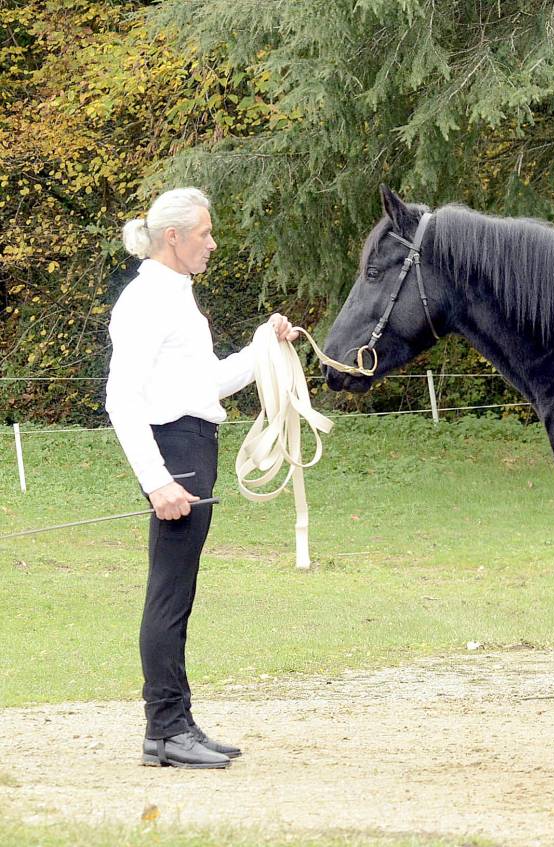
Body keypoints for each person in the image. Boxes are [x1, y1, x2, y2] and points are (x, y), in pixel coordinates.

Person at [106, 187, 300, 768]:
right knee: (168, 592)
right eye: (205, 234)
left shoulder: (177, 298)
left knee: (180, 592)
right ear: (174, 237)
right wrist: (157, 480)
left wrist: (264, 346)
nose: (212, 244)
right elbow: (121, 398)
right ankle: (164, 728)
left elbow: (204, 385)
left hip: (194, 442)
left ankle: (177, 721)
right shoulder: (146, 301)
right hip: (175, 453)